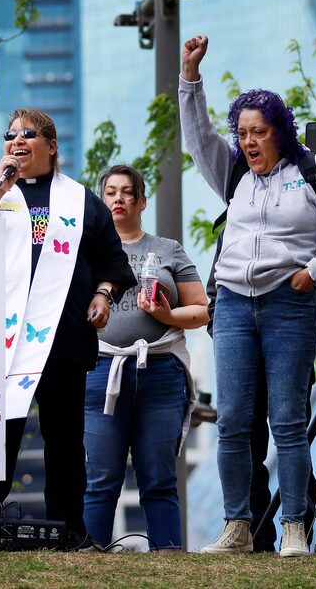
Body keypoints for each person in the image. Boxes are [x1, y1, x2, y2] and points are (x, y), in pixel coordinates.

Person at [179, 34, 316, 558]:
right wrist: (190, 76)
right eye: (243, 133)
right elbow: (197, 137)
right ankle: (237, 527)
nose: (249, 142)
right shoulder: (233, 171)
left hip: (289, 304)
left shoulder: (315, 171)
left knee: (286, 418)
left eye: (258, 132)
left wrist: (314, 273)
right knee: (233, 418)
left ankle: (295, 529)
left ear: (280, 131)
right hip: (234, 304)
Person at [0, 108, 136, 547]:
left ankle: (69, 529)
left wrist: (103, 294)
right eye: (10, 135)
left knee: (65, 440)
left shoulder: (80, 200)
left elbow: (115, 262)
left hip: (62, 337)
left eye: (28, 135)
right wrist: (0, 187)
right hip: (1, 341)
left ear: (51, 147)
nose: (17, 141)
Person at [83, 165, 208, 550]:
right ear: (102, 202)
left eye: (126, 193)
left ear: (141, 201)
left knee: (159, 477)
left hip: (160, 371)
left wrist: (166, 316)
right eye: (110, 193)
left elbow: (202, 310)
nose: (118, 199)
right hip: (102, 369)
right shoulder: (85, 251)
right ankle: (89, 566)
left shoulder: (167, 249)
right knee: (101, 478)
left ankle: (168, 560)